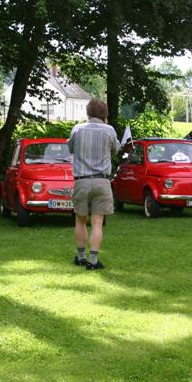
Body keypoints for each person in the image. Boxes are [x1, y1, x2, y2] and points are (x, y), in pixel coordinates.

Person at [67, 98, 120, 270]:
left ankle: (81, 257)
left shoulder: (77, 129)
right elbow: (116, 149)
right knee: (97, 222)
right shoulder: (109, 130)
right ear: (104, 114)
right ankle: (93, 261)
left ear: (88, 112)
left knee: (80, 221)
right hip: (102, 180)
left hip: (81, 180)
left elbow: (70, 149)